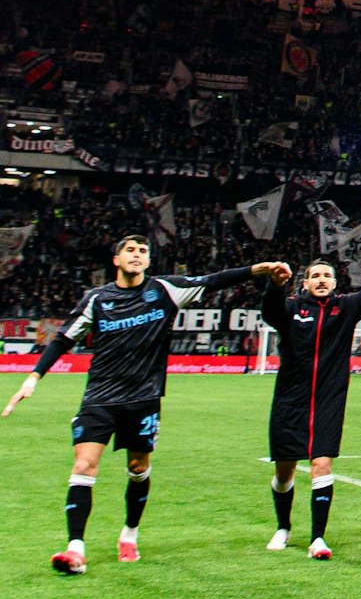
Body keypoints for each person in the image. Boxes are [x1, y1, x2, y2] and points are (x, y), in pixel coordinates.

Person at [5, 236, 289, 574]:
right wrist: (32, 378)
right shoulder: (97, 299)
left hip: (143, 399)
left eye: (143, 251)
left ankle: (129, 533)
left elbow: (213, 280)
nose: (137, 255)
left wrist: (259, 270)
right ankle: (75, 548)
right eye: (130, 250)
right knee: (83, 466)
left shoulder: (166, 290)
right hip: (99, 397)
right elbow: (63, 339)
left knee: (138, 468)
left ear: (148, 260)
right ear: (116, 259)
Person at [259, 235, 361, 559]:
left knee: (322, 463)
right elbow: (270, 312)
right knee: (284, 471)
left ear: (335, 282)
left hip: (328, 401)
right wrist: (275, 286)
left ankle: (317, 538)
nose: (322, 280)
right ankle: (283, 527)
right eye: (315, 276)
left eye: (327, 275)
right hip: (290, 400)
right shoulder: (291, 309)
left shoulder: (346, 308)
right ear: (304, 283)